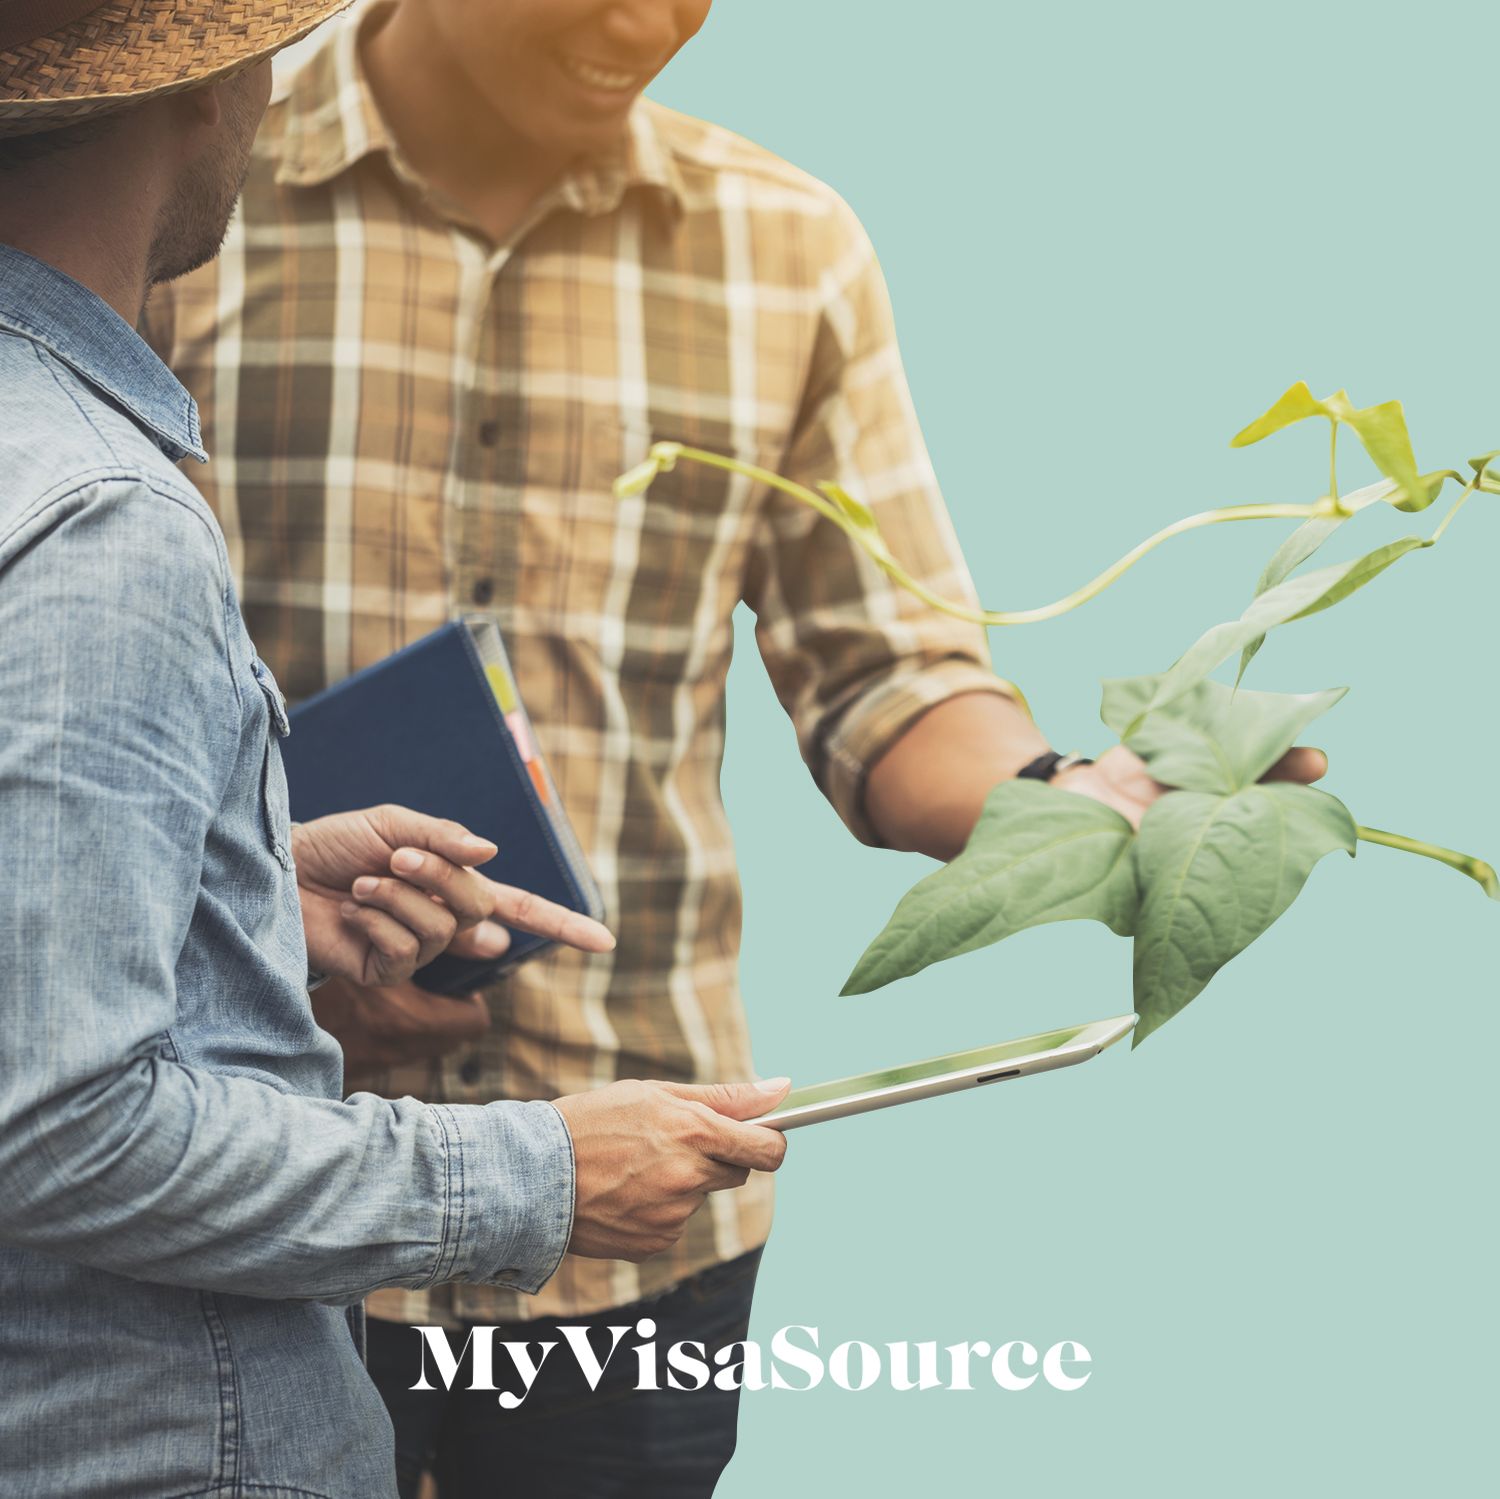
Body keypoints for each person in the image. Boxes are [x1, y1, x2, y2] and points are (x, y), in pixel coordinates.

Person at [146, 0, 1328, 1492]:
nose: (648, 17)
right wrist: (251, 950)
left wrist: (1069, 803)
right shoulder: (178, 176)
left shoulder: (787, 247)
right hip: (261, 1186)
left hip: (645, 1197)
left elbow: (887, 682)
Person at [0, 4, 791, 1496]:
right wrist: (536, 1173)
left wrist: (225, 893)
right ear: (204, 86)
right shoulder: (105, 516)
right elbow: (56, 1127)